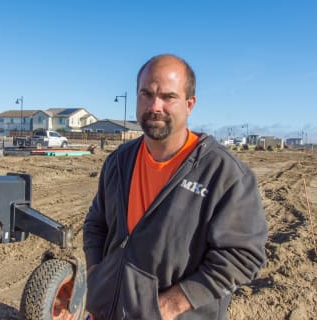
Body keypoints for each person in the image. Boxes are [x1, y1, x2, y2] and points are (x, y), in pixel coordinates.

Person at [83, 54, 268, 320]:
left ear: (189, 104)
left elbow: (243, 255)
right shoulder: (119, 161)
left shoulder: (224, 173)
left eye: (168, 97)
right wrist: (95, 273)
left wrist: (170, 305)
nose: (155, 106)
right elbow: (96, 223)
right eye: (146, 94)